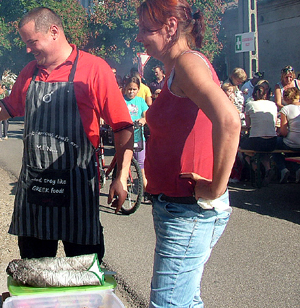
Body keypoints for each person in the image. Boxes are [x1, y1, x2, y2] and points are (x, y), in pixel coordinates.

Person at [0, 7, 134, 262]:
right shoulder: (30, 71)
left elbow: (122, 126)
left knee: (84, 272)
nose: (28, 50)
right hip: (36, 190)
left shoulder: (94, 69)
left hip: (78, 190)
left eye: (32, 42)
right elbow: (9, 107)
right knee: (35, 270)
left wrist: (122, 176)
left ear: (53, 32)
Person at [136, 0, 241, 307]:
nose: (140, 37)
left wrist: (215, 188)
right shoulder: (177, 68)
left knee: (169, 303)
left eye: (145, 29)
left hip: (188, 210)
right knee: (184, 300)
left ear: (170, 27)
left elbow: (229, 120)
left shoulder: (187, 63)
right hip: (178, 208)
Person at [240, 83, 277, 185]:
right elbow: (274, 122)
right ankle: (268, 169)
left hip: (257, 141)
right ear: (266, 94)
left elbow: (248, 125)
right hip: (272, 141)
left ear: (253, 94)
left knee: (243, 149)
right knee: (264, 153)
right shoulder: (273, 104)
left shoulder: (250, 105)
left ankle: (256, 169)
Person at [123, 76, 149, 189]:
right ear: (125, 88)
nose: (131, 92)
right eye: (129, 89)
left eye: (134, 89)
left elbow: (147, 114)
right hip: (124, 138)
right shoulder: (121, 100)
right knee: (123, 166)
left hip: (138, 138)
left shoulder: (140, 101)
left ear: (138, 89)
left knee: (141, 167)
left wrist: (144, 119)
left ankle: (147, 192)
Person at [274, 87, 300, 183]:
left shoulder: (285, 109)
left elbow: (284, 132)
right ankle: (297, 169)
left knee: (275, 145)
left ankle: (283, 169)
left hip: (292, 142)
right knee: (291, 151)